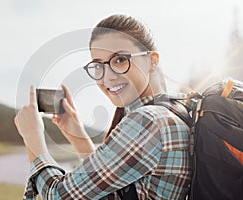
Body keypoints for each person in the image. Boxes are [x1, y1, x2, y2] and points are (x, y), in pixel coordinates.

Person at [14, 14, 191, 200]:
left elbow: (59, 195)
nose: (108, 77)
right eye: (98, 66)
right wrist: (78, 136)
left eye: (120, 60)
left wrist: (32, 137)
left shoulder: (147, 121)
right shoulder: (175, 109)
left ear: (152, 60)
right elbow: (111, 189)